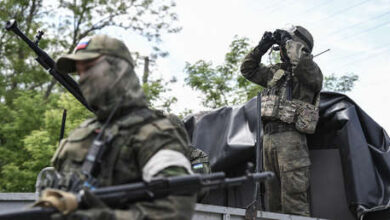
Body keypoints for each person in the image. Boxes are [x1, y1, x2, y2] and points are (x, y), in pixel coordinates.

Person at [36, 34, 196, 220]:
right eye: (79, 73)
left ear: (118, 70)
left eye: (89, 68)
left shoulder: (154, 133)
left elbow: (175, 210)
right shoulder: (82, 133)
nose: (82, 79)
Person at [240, 25, 323, 216]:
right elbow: (247, 69)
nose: (283, 49)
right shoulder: (275, 73)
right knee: (272, 203)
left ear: (300, 46)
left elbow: (303, 65)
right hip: (268, 139)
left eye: (289, 44)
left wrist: (290, 43)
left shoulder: (309, 70)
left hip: (291, 139)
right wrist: (261, 48)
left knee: (293, 201)